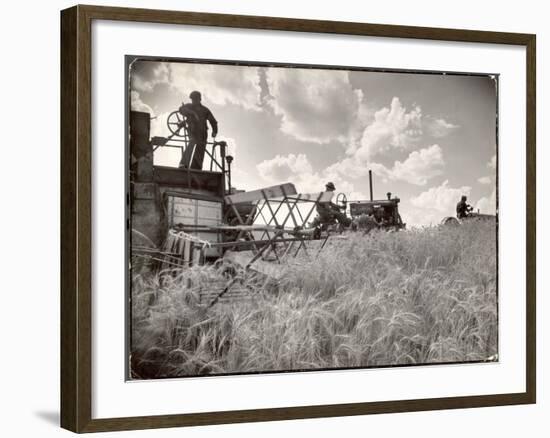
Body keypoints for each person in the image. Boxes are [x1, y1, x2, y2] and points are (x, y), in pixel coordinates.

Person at [178, 91, 218, 169]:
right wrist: (192, 113)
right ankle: (184, 164)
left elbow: (213, 121)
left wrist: (214, 131)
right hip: (192, 131)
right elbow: (181, 109)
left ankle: (196, 168)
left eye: (195, 99)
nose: (193, 101)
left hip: (202, 132)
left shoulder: (205, 110)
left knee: (200, 149)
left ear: (199, 99)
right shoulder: (189, 106)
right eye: (192, 99)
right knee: (192, 142)